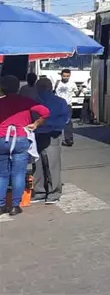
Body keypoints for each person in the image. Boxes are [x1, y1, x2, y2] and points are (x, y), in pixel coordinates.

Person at [0, 75, 49, 217]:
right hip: (21, 138)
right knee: (18, 173)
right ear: (18, 87)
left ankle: (1, 205)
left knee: (2, 174)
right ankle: (15, 206)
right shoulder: (26, 101)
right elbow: (45, 112)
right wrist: (36, 124)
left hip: (2, 139)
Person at [33, 76, 71, 204]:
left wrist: (46, 124)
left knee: (44, 164)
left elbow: (64, 119)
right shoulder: (58, 101)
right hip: (47, 134)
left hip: (45, 134)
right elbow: (65, 119)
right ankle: (47, 192)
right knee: (44, 164)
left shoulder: (35, 101)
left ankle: (47, 192)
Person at [52, 69, 76, 146]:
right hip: (57, 105)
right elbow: (53, 92)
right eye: (64, 76)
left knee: (67, 122)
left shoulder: (72, 84)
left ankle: (68, 139)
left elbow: (76, 92)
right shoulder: (57, 83)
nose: (66, 77)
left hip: (67, 105)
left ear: (70, 76)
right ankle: (55, 137)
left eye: (67, 76)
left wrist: (81, 89)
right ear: (61, 75)